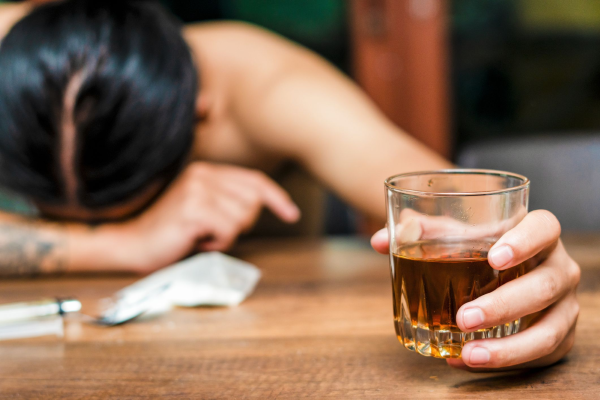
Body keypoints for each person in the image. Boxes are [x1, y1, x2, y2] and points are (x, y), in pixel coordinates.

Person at [0, 0, 580, 371]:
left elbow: (454, 213)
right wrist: (120, 243)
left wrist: (533, 272)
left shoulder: (262, 86)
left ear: (201, 115)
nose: (79, 223)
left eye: (107, 210)